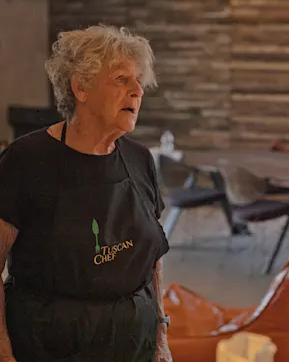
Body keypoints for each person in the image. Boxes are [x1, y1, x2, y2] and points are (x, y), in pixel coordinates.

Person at [0, 25, 171, 361]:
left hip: (133, 346)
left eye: (139, 80)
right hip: (48, 347)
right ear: (80, 87)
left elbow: (152, 262)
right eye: (122, 79)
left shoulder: (140, 160)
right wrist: (3, 351)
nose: (137, 91)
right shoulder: (26, 160)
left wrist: (161, 336)